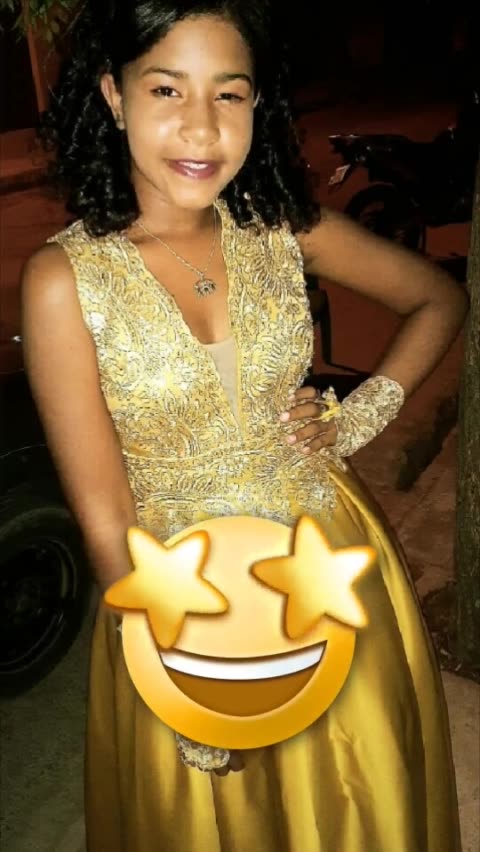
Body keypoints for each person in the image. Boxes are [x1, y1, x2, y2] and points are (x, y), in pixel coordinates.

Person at [21, 1, 466, 850]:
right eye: (167, 89)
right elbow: (105, 514)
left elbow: (438, 298)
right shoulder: (63, 281)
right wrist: (177, 677)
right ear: (114, 96)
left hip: (325, 559)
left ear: (258, 104)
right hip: (179, 595)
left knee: (358, 791)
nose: (202, 127)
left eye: (229, 94)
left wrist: (358, 415)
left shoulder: (283, 229)